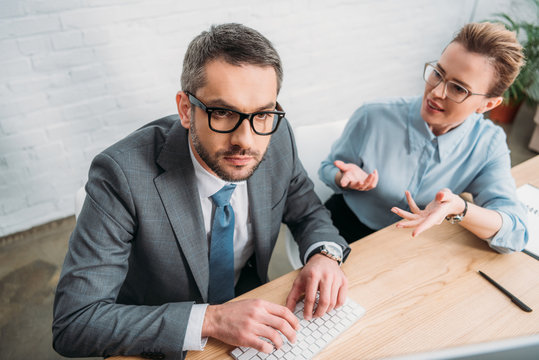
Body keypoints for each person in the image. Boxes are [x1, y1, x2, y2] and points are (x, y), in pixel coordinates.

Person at [53, 23, 350, 359]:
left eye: (263, 114)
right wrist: (210, 319)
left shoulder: (277, 138)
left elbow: (307, 210)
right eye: (222, 113)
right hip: (159, 331)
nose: (245, 141)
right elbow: (75, 323)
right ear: (185, 110)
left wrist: (325, 255)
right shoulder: (120, 175)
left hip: (248, 310)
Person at [319, 22, 528, 252]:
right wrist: (343, 177)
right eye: (438, 73)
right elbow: (327, 168)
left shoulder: (488, 144)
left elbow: (515, 234)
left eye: (458, 88)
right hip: (343, 228)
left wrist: (460, 208)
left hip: (413, 245)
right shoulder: (373, 115)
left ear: (487, 104)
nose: (436, 92)